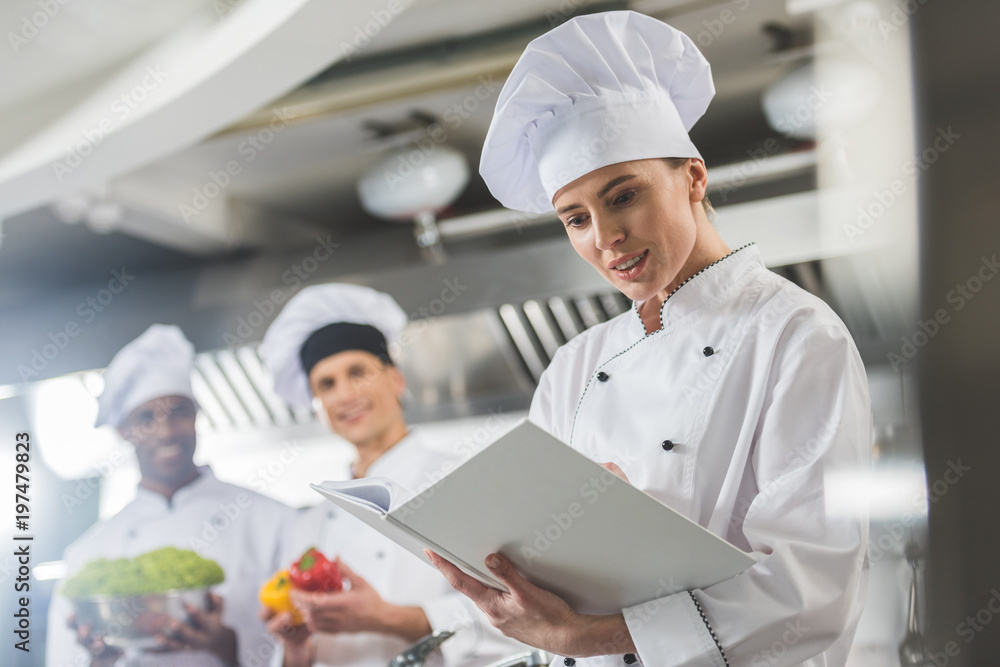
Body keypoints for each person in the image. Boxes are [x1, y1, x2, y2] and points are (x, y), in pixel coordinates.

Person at [427, 11, 871, 667]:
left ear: (693, 177)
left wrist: (590, 635)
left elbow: (812, 591)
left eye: (623, 195)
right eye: (576, 217)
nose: (605, 238)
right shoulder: (575, 366)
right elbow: (542, 587)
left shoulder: (796, 334)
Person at [260, 283, 525, 667]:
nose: (345, 394)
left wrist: (388, 618)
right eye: (326, 384)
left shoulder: (461, 479)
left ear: (396, 379)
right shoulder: (309, 523)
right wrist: (295, 649)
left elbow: (518, 614)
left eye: (357, 372)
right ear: (317, 407)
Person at [46, 324, 295, 667]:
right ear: (124, 431)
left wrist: (228, 649)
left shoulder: (272, 520)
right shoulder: (85, 555)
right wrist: (99, 661)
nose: (165, 431)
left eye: (178, 411)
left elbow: (306, 648)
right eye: (146, 418)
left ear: (197, 415)